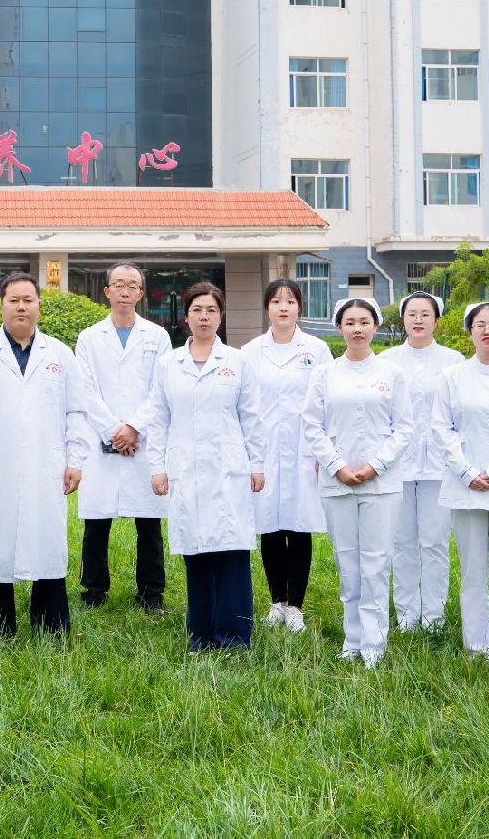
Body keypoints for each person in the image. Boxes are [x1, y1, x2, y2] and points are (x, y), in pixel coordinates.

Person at [0, 273, 89, 639]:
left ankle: (51, 628)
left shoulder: (59, 354)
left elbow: (77, 411)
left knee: (47, 542)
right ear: (2, 306)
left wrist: (75, 460)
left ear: (39, 305)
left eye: (28, 300)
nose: (21, 307)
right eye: (14, 300)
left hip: (48, 464)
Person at [148, 282, 265, 653]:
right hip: (185, 469)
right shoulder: (169, 364)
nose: (204, 316)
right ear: (186, 317)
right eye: (197, 310)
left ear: (221, 316)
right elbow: (158, 419)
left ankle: (234, 635)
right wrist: (157, 467)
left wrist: (257, 465)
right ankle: (200, 634)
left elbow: (252, 417)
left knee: (232, 552)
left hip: (229, 468)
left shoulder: (237, 362)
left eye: (211, 310)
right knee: (196, 552)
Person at [303, 298, 412, 668]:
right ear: (339, 328)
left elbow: (404, 428)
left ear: (375, 326)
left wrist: (375, 466)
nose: (357, 329)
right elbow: (312, 425)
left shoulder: (392, 373)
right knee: (347, 562)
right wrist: (337, 466)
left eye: (364, 321)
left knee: (376, 563)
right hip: (338, 483)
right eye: (349, 322)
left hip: (382, 484)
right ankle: (353, 641)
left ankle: (374, 644)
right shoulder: (325, 374)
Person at [74, 262, 171, 612]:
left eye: (132, 286)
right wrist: (114, 431)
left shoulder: (157, 337)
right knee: (97, 522)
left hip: (143, 440)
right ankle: (94, 590)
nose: (125, 291)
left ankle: (151, 594)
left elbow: (160, 390)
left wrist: (134, 428)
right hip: (102, 441)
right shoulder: (89, 338)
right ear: (107, 291)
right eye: (118, 284)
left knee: (149, 522)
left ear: (140, 294)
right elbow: (85, 390)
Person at [431, 302, 489, 669]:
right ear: (469, 331)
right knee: (472, 573)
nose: (487, 330)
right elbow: (442, 429)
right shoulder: (451, 377)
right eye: (480, 324)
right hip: (465, 487)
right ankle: (476, 646)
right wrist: (468, 472)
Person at [242, 278, 333, 633]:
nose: (283, 307)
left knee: (298, 526)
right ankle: (276, 601)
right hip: (264, 449)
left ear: (299, 308)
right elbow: (245, 405)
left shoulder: (317, 350)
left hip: (303, 449)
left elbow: (327, 402)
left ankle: (296, 606)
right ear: (267, 307)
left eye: (290, 301)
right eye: (277, 301)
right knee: (268, 524)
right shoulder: (251, 351)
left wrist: (324, 451)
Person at [379, 291, 463, 631]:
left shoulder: (453, 360)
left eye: (425, 314)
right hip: (397, 465)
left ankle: (434, 616)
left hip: (439, 466)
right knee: (402, 542)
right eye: (411, 314)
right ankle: (407, 614)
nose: (418, 320)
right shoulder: (387, 361)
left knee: (435, 542)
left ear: (436, 321)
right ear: (403, 320)